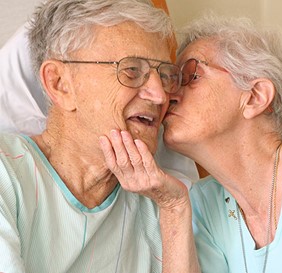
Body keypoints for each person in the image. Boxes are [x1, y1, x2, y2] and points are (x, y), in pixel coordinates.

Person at [101, 15, 282, 273]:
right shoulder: (203, 202)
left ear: (255, 97)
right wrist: (174, 206)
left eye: (192, 76)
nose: (166, 96)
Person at [0, 0, 200, 272]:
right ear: (60, 84)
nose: (160, 94)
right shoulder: (6, 177)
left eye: (165, 75)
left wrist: (174, 209)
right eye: (131, 70)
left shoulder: (162, 204)